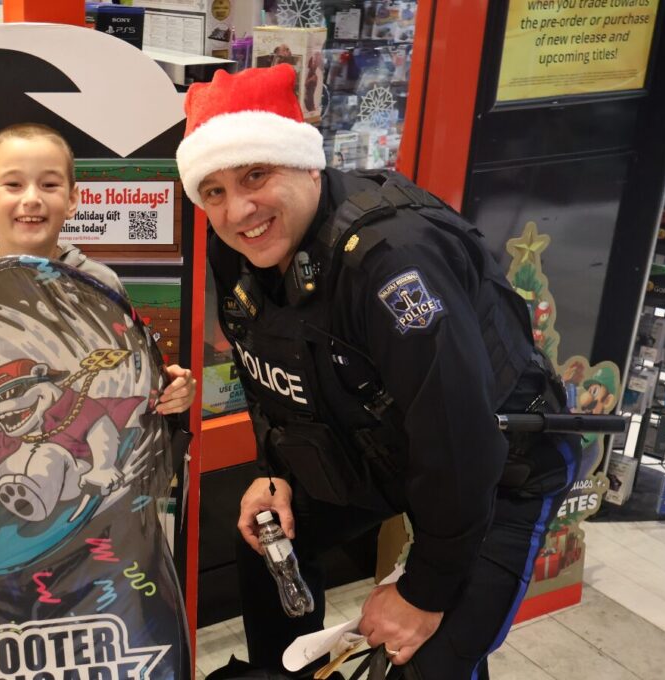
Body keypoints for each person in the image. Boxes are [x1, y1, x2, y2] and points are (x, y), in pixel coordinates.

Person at [175, 65, 579, 679]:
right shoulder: (240, 244)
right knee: (266, 540)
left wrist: (423, 591)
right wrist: (274, 476)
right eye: (214, 191)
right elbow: (272, 375)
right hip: (384, 448)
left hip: (501, 466)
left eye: (256, 174)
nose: (239, 209)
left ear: (307, 163)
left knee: (422, 656)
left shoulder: (393, 259)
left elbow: (461, 443)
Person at [0, 123, 197, 420]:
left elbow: (129, 375)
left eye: (49, 184)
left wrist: (170, 389)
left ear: (72, 200)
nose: (31, 199)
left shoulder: (100, 285)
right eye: (13, 184)